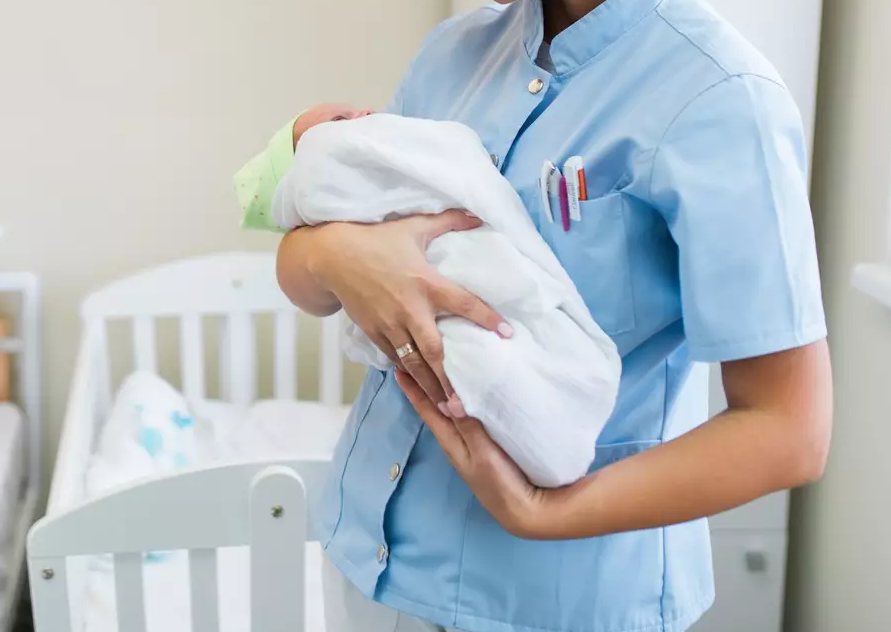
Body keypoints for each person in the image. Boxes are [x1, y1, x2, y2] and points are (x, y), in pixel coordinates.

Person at [270, 0, 833, 632]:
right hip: (371, 564)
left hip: (556, 611)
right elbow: (312, 277)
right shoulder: (453, 59)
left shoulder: (718, 98)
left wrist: (547, 514)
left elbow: (788, 430)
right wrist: (333, 249)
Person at [235, 103, 623, 489]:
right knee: (475, 355)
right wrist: (330, 250)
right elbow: (297, 263)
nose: (361, 116)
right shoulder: (332, 158)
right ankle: (528, 425)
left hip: (570, 522)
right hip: (369, 499)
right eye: (337, 123)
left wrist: (541, 517)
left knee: (502, 334)